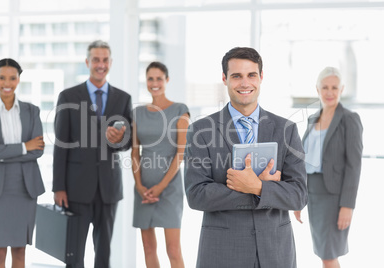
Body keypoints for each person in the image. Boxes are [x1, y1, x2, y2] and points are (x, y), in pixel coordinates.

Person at [184, 47, 308, 268]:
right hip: (222, 253)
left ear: (261, 77)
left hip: (275, 252)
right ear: (225, 79)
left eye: (251, 75)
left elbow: (299, 195)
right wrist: (258, 189)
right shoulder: (201, 130)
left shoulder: (286, 129)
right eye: (236, 76)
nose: (244, 83)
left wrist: (258, 187)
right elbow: (196, 195)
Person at [52, 40, 132, 268]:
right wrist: (59, 187)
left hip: (108, 188)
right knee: (73, 254)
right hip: (76, 188)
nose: (100, 64)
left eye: (105, 60)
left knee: (104, 253)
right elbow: (61, 145)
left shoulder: (123, 98)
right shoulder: (68, 97)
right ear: (87, 62)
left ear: (111, 63)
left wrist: (120, 140)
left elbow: (127, 142)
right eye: (96, 59)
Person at [294, 67, 363, 268]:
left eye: (334, 87)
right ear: (317, 90)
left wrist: (347, 206)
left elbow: (354, 165)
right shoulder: (312, 118)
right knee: (322, 252)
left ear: (341, 90)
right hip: (313, 192)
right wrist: (299, 198)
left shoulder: (349, 119)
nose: (330, 92)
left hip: (334, 197)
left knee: (328, 253)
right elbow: (304, 160)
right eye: (325, 87)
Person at [0, 58, 45, 268]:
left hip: (24, 188)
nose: (6, 83)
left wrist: (1, 151)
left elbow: (37, 151)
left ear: (19, 80)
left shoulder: (32, 111)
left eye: (12, 78)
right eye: (2, 78)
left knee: (20, 250)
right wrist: (24, 146)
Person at [131, 62, 189, 268]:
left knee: (173, 250)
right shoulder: (137, 113)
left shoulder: (180, 110)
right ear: (146, 81)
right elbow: (134, 152)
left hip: (170, 188)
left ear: (167, 80)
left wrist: (162, 186)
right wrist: (139, 186)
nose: (154, 83)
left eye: (159, 79)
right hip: (143, 187)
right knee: (148, 248)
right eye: (150, 79)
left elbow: (180, 153)